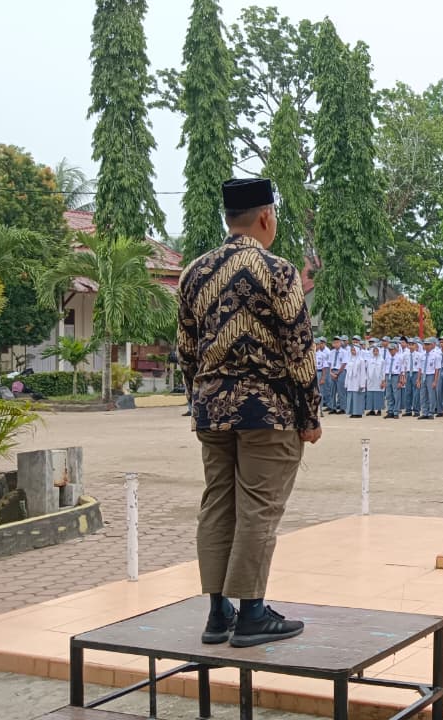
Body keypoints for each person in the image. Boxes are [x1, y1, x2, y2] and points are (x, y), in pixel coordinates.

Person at [178, 177, 321, 648]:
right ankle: (253, 614)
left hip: (212, 409)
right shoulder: (278, 272)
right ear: (265, 217)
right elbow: (298, 348)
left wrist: (199, 402)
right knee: (258, 509)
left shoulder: (194, 272)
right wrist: (310, 414)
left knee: (217, 505)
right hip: (267, 411)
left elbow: (186, 350)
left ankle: (218, 613)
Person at [344, 343, 367, 418]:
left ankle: (358, 413)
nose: (352, 352)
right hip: (351, 381)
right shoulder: (349, 359)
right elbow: (347, 372)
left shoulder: (361, 360)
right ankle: (352, 412)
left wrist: (362, 384)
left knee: (358, 397)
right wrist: (346, 382)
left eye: (354, 350)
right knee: (351, 397)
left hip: (358, 381)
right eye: (351, 350)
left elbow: (363, 373)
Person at [365, 344, 385, 416]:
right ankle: (372, 410)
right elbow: (366, 370)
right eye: (374, 351)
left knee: (378, 394)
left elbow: (383, 371)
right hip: (370, 380)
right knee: (371, 395)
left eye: (377, 351)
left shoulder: (382, 360)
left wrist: (383, 381)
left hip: (379, 380)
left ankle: (379, 410)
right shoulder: (369, 360)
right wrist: (366, 380)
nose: (375, 352)